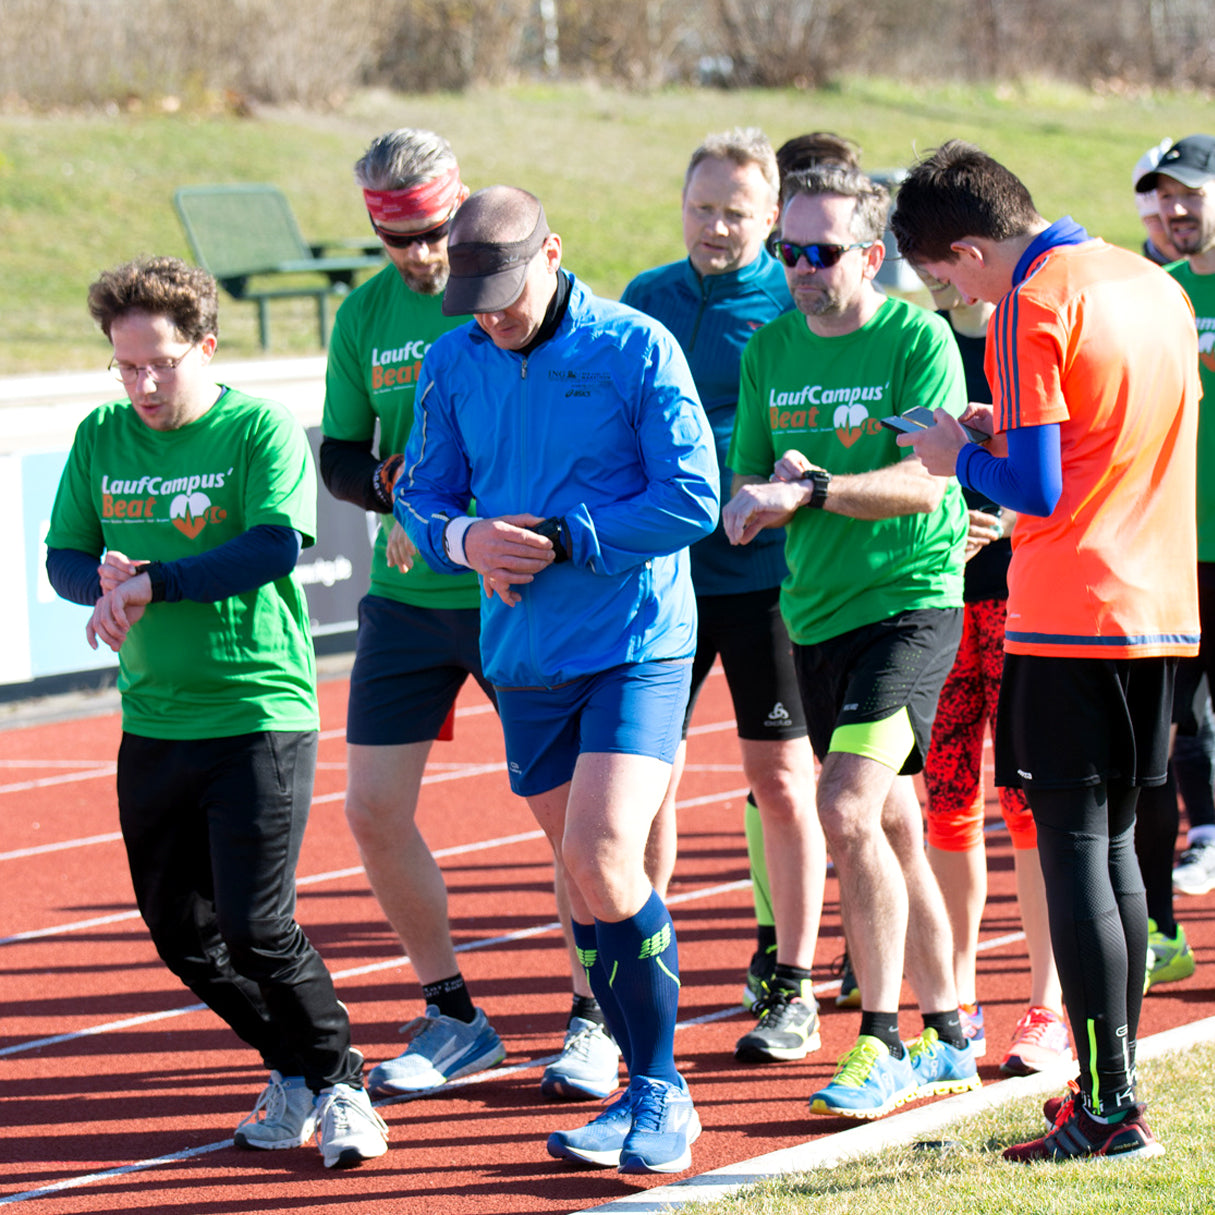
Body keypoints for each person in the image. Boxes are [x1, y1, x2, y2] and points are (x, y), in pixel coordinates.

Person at [395, 186, 719, 1174]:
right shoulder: (452, 360)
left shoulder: (635, 346)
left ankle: (664, 1091)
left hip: (635, 638)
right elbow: (421, 494)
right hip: (526, 654)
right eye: (474, 296)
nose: (491, 315)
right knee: (586, 883)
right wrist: (463, 537)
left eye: (505, 291)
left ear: (554, 254)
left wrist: (566, 538)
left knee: (607, 855)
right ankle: (631, 1080)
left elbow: (694, 497)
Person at [892, 139, 1200, 1162]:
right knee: (1114, 853)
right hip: (1158, 608)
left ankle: (1109, 1111)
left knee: (1076, 857)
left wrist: (955, 454)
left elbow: (1039, 490)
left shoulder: (1034, 299)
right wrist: (997, 430)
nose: (957, 300)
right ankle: (1112, 1096)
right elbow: (1102, 440)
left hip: (1070, 615)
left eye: (947, 279)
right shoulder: (1148, 280)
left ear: (972, 250)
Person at [44, 256, 388, 1169]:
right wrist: (102, 583)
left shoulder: (254, 428)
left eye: (159, 362)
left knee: (257, 925)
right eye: (125, 365)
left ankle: (344, 1080)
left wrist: (156, 581)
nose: (143, 384)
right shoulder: (102, 436)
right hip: (153, 719)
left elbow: (274, 545)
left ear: (205, 344)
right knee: (178, 931)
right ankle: (295, 1065)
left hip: (255, 711)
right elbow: (65, 554)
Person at [320, 128, 619, 1104]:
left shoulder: (527, 298)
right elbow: (338, 456)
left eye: (435, 232)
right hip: (410, 597)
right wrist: (390, 496)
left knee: (572, 825)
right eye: (396, 241)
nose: (420, 257)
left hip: (526, 592)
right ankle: (455, 1015)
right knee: (370, 808)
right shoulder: (365, 316)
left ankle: (592, 1016)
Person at [722, 165, 978, 1120]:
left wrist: (816, 487)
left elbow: (926, 482)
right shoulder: (769, 350)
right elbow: (747, 476)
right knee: (892, 822)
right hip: (815, 613)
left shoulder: (916, 339)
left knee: (843, 805)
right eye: (785, 250)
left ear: (870, 256)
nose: (797, 267)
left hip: (910, 603)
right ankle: (949, 1030)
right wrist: (756, 500)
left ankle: (880, 1040)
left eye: (818, 251)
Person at [621, 128, 827, 1066]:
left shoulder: (790, 306)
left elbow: (791, 424)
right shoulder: (646, 298)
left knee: (783, 782)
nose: (715, 227)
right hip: (658, 583)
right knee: (642, 785)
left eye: (736, 214)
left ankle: (791, 985)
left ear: (771, 217)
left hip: (762, 585)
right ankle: (637, 979)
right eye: (700, 208)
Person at [914, 266, 1072, 1077]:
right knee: (943, 801)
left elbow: (1067, 467)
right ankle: (957, 1004)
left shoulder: (1028, 338)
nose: (942, 277)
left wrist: (1002, 513)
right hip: (936, 603)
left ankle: (1046, 1005)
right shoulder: (917, 341)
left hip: (1022, 603)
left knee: (1026, 804)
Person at [1138, 134, 1215, 905]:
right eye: (1164, 194)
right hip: (1174, 548)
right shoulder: (1158, 291)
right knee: (1176, 719)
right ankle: (1200, 843)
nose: (1175, 207)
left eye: (1191, 191)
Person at [1133, 139, 1184, 266]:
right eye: (1157, 220)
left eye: (1181, 218)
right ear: (1144, 221)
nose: (1170, 229)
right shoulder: (1135, 280)